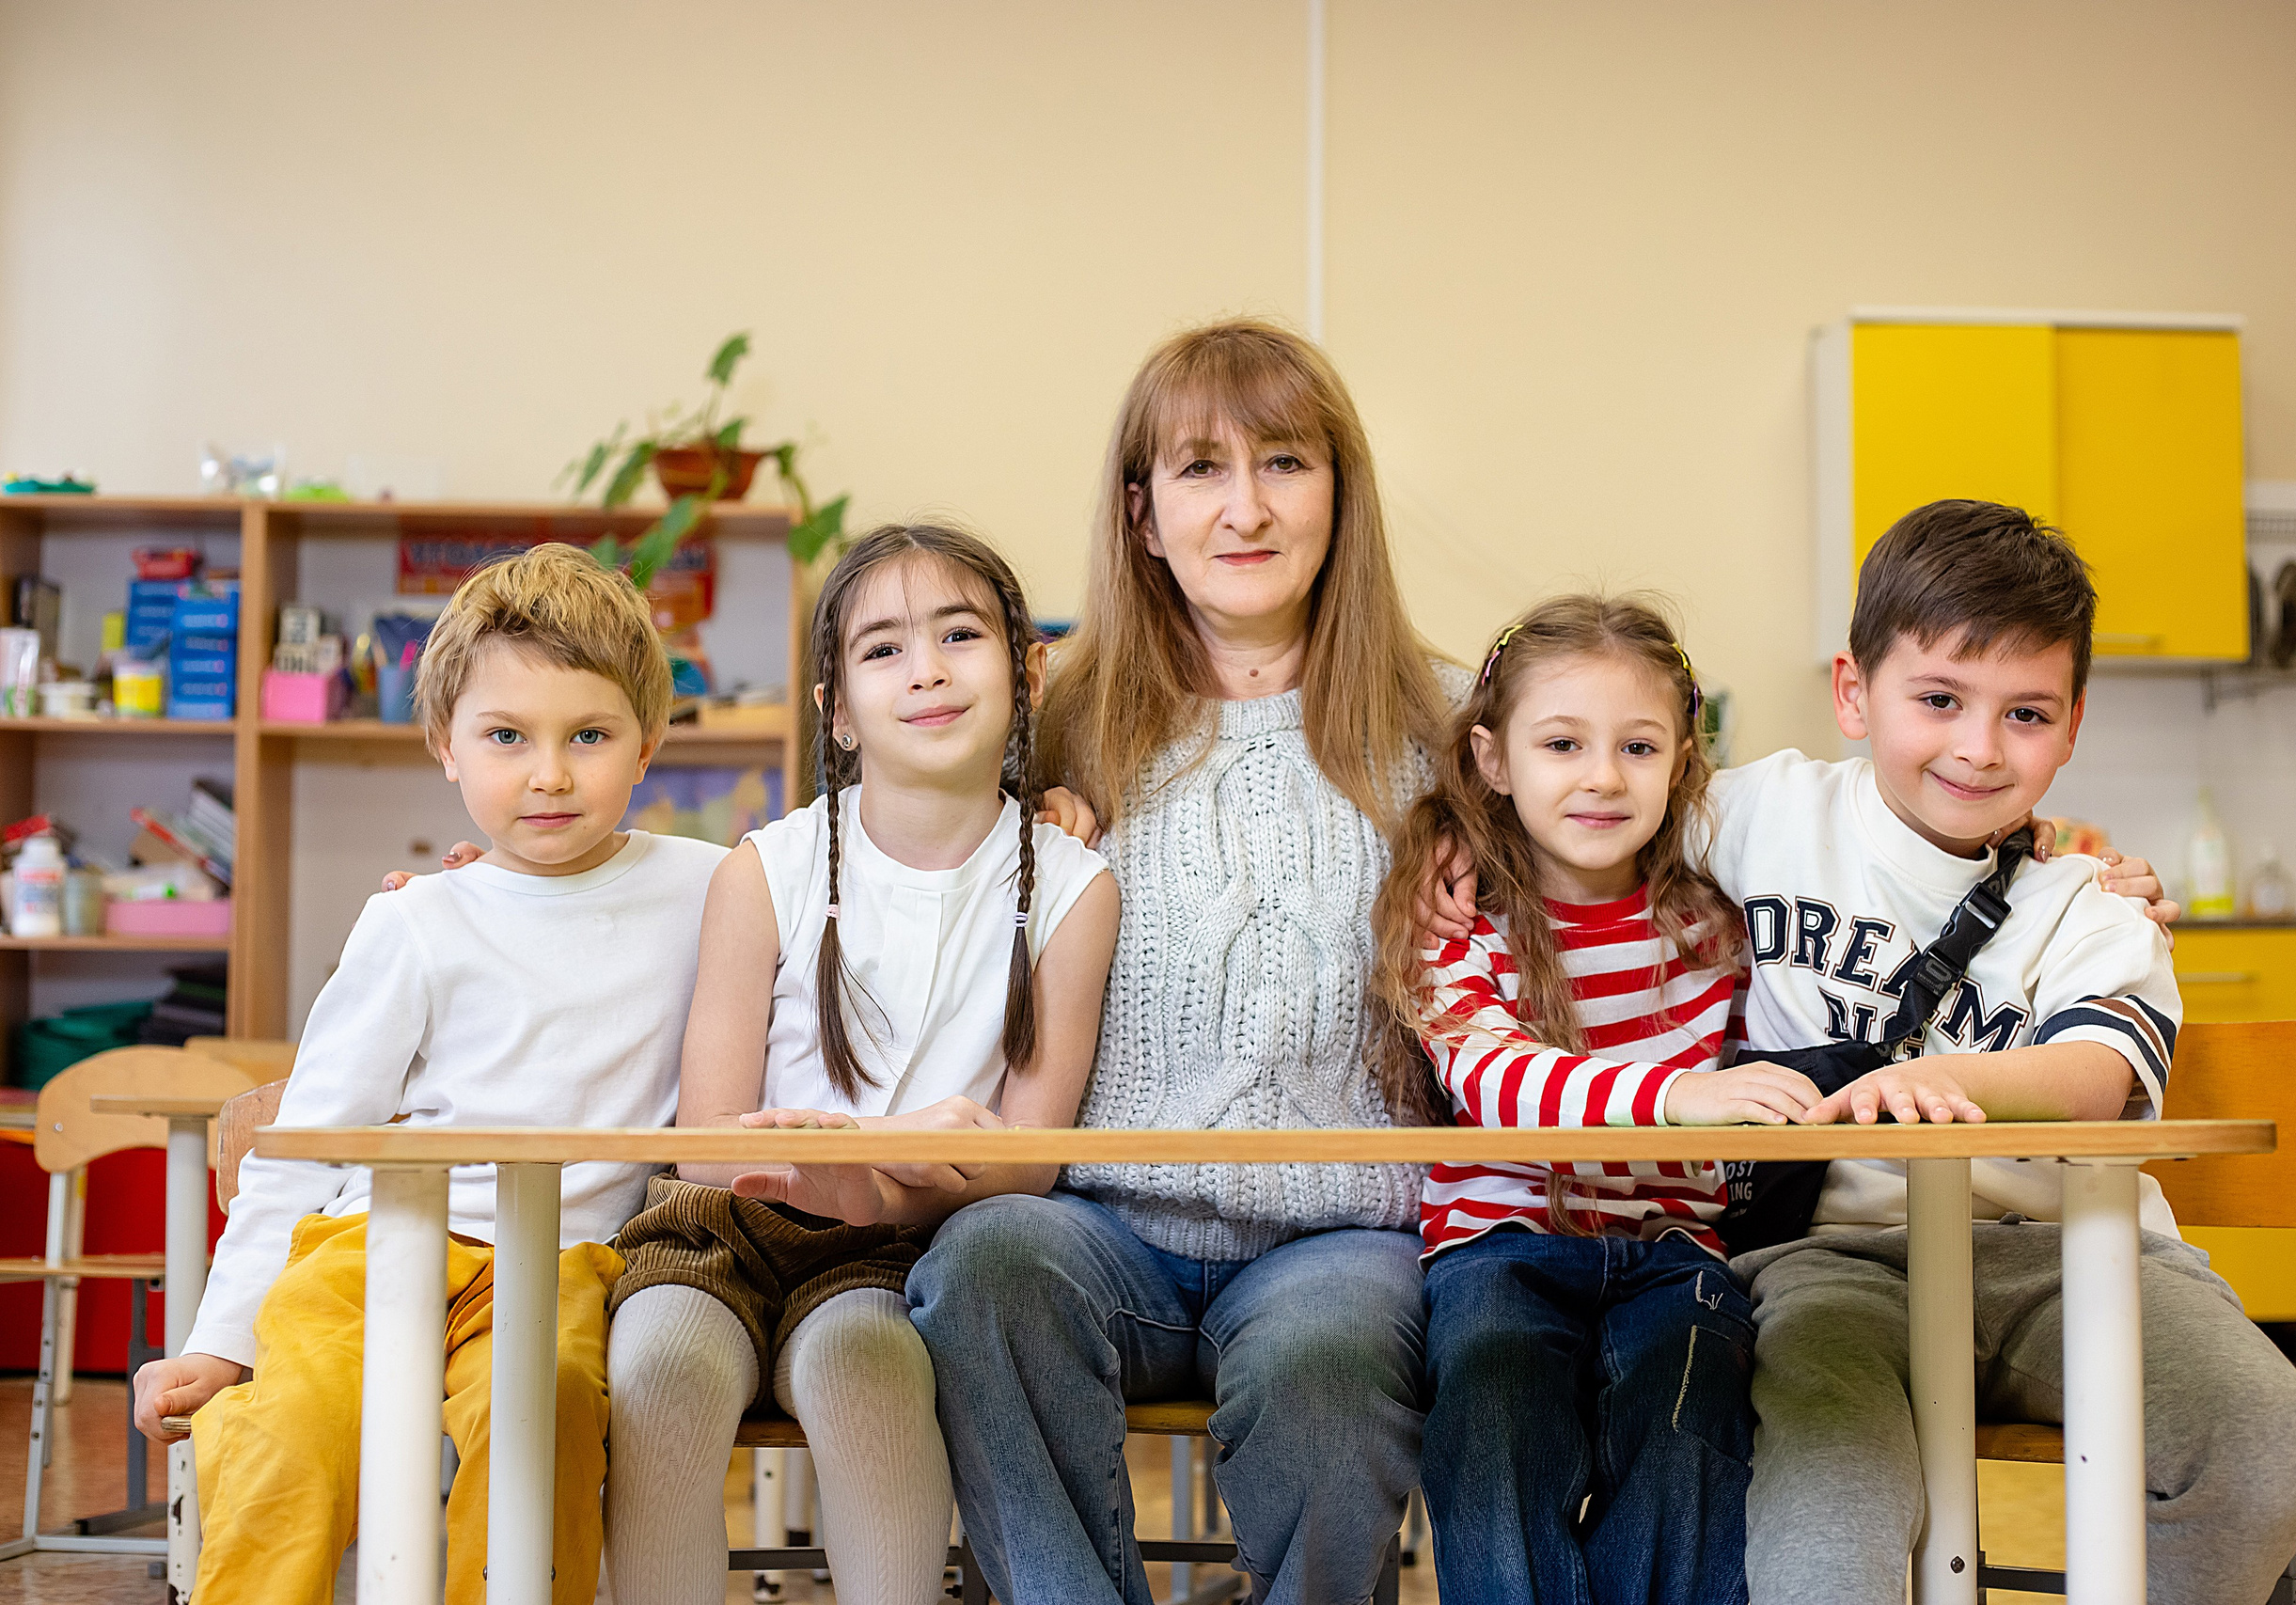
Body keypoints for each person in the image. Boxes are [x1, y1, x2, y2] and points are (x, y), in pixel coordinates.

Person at [905, 318, 1467, 1605]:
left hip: (1344, 1226)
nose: (1248, 506)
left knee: (1330, 1367)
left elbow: (1623, 845)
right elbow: (865, 850)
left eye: (1285, 460)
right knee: (982, 1267)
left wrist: (2009, 838)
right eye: (1202, 468)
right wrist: (524, 866)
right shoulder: (1053, 720)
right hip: (1102, 1221)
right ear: (1144, 513)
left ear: (1343, 491)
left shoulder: (1447, 725)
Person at [1713, 500, 2296, 1604]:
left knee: (2266, 1449)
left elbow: (2096, 1077)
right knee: (1828, 1507)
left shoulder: (2090, 903)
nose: (1977, 747)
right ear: (1853, 692)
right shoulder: (1759, 812)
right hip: (1835, 1262)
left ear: (2073, 726)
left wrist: (1931, 1078)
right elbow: (1584, 807)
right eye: (1939, 699)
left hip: (2079, 1259)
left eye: (2026, 714)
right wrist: (1460, 862)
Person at [131, 543, 725, 1604]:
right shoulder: (414, 918)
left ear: (648, 747)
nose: (548, 775)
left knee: (541, 1427)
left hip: (563, 1262)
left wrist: (1048, 807)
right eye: (507, 737)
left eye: (588, 736)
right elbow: (308, 1139)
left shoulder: (718, 887)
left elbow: (858, 887)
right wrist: (220, 1339)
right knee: (283, 1435)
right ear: (445, 747)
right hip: (372, 1248)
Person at [600, 523, 1119, 1605]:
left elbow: (1028, 1161)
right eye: (882, 649)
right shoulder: (766, 869)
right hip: (724, 1230)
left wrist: (882, 1182)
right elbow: (705, 1142)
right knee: (656, 1379)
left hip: (894, 1250)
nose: (925, 669)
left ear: (1027, 673)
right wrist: (825, 1168)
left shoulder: (1075, 890)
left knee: (869, 1382)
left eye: (959, 634)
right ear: (835, 706)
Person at [1369, 594, 1817, 1605]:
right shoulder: (1457, 917)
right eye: (1562, 743)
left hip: (1672, 1250)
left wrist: (2040, 848)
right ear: (1493, 761)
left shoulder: (1712, 918)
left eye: (1639, 747)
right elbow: (1492, 1079)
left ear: (1682, 761)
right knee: (1493, 1418)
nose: (1603, 777)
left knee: (1690, 1422)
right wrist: (1681, 1099)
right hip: (1503, 1244)